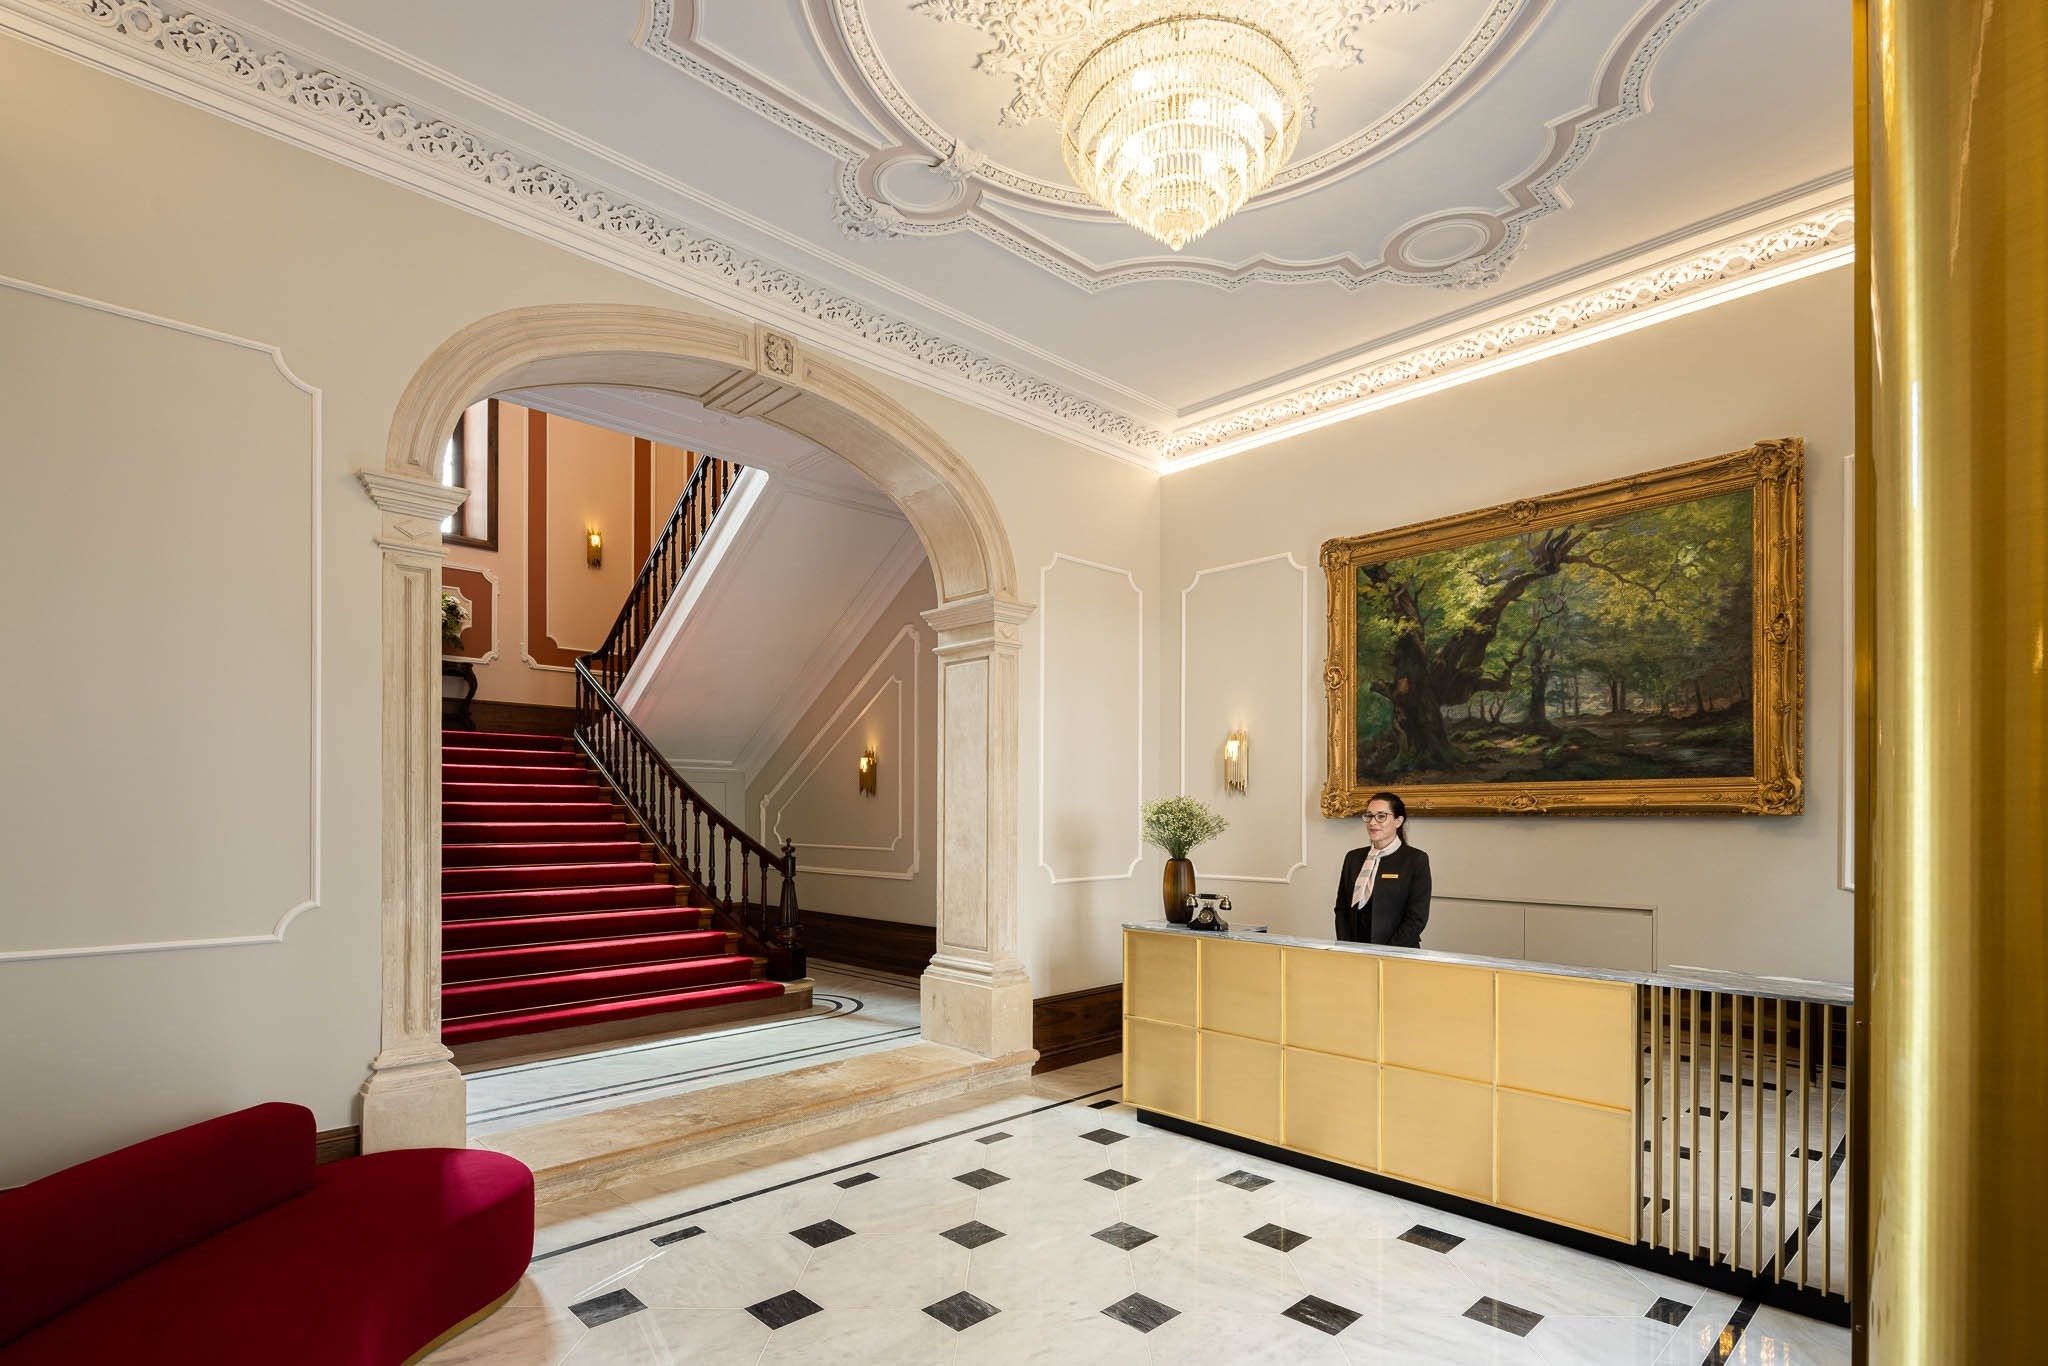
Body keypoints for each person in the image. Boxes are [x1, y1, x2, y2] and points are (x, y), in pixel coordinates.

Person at [1333, 791, 1431, 947]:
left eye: (1381, 816)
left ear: (1398, 821)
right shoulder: (1353, 857)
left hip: (1397, 954)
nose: (1372, 822)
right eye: (1369, 816)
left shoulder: (1415, 860)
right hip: (1355, 953)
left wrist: (1386, 953)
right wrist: (1347, 947)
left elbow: (1416, 918)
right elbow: (1342, 909)